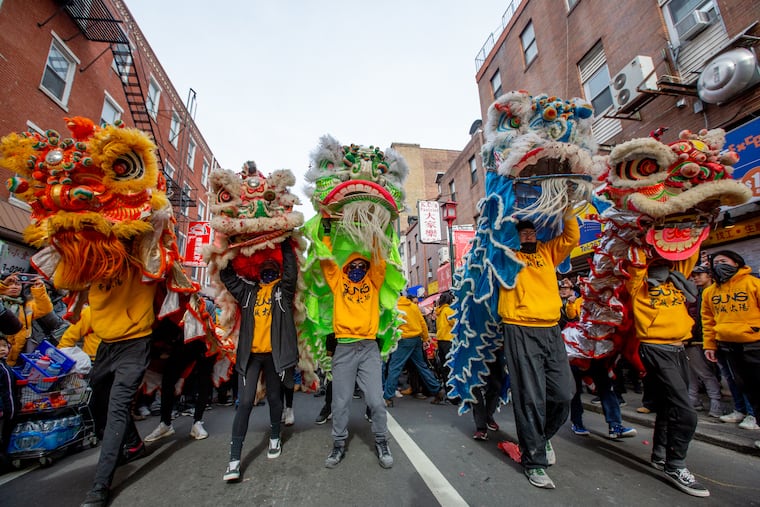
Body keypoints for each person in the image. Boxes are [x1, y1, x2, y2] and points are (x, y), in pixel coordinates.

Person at [498, 215, 578, 489]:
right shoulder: (505, 254)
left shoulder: (547, 251)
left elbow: (571, 238)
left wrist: (567, 207)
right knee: (530, 397)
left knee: (564, 393)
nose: (528, 235)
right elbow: (493, 238)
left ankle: (540, 438)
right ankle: (534, 462)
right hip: (518, 327)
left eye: (532, 231)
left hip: (551, 328)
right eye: (523, 232)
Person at [626, 249, 709, 497]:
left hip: (679, 348)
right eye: (655, 258)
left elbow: (687, 253)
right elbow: (636, 257)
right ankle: (676, 465)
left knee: (667, 406)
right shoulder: (638, 285)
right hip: (655, 349)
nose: (660, 261)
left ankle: (660, 455)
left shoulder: (676, 278)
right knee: (686, 412)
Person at [80, 261, 159, 506]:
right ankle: (134, 443)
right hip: (105, 344)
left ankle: (101, 484)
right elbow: (64, 279)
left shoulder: (143, 258)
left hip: (135, 342)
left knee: (117, 406)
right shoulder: (92, 262)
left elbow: (159, 264)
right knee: (97, 400)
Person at [220, 239, 299, 482]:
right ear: (257, 273)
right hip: (251, 356)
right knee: (244, 403)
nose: (266, 270)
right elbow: (228, 277)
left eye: (270, 267)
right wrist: (228, 247)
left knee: (275, 398)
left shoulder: (283, 291)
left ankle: (275, 435)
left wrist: (285, 240)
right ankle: (234, 459)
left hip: (274, 355)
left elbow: (290, 270)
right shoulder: (248, 292)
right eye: (262, 268)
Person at [320, 228, 392, 469]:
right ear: (346, 269)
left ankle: (382, 441)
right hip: (344, 348)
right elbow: (326, 260)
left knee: (377, 401)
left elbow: (379, 257)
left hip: (369, 347)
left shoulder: (373, 281)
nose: (358, 269)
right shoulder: (338, 282)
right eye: (353, 266)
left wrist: (376, 229)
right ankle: (338, 444)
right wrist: (327, 231)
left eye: (363, 265)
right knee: (339, 403)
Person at [702, 251, 760, 439]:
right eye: (716, 262)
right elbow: (708, 321)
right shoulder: (710, 292)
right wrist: (709, 345)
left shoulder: (753, 284)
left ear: (736, 263)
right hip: (726, 345)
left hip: (754, 344)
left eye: (723, 261)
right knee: (746, 388)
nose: (719, 265)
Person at [144, 318, 215, 443]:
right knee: (168, 379)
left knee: (204, 380)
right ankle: (165, 422)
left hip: (206, 335)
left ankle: (197, 421)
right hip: (184, 335)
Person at [383, 291, 445, 406]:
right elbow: (422, 323)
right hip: (416, 339)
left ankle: (387, 397)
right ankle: (437, 390)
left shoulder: (394, 307)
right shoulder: (412, 306)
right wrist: (426, 338)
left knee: (394, 367)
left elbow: (391, 325)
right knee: (422, 366)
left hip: (403, 339)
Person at [685, 264, 722, 418]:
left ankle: (716, 403)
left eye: (699, 274)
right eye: (694, 275)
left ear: (709, 275)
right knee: (692, 372)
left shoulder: (715, 292)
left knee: (705, 372)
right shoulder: (693, 293)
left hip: (711, 337)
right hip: (692, 339)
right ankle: (693, 400)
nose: (696, 277)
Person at [0, 272, 55, 366]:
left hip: (13, 354)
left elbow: (45, 309)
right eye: (10, 284)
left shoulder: (26, 306)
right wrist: (3, 286)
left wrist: (39, 289)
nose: (14, 287)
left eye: (18, 284)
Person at [471, 351, 505, 440]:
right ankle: (481, 427)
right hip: (474, 346)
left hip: (496, 346)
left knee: (496, 386)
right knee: (474, 387)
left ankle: (488, 415)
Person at [435, 291, 455, 388]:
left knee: (444, 367)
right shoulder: (448, 310)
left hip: (440, 340)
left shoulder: (439, 311)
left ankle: (448, 389)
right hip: (449, 340)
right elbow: (454, 322)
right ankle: (453, 391)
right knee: (451, 366)